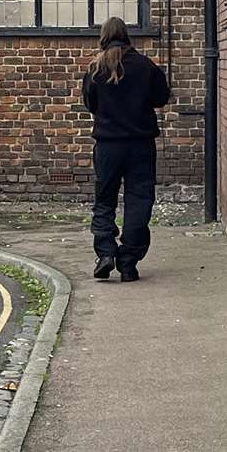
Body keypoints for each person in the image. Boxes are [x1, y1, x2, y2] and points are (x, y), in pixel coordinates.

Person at [82, 17, 171, 282]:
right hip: (140, 145)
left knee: (105, 200)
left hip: (108, 145)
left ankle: (106, 252)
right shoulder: (146, 66)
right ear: (126, 36)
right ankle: (129, 262)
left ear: (104, 37)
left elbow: (90, 103)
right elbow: (161, 98)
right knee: (139, 201)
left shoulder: (95, 69)